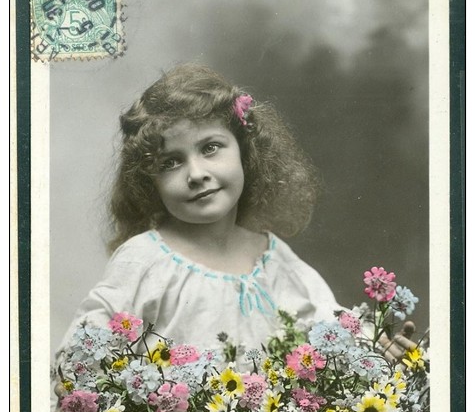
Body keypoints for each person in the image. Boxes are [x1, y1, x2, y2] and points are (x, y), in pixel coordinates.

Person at [57, 63, 341, 359]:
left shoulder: (274, 260)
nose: (196, 174)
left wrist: (377, 343)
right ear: (150, 183)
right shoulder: (144, 261)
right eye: (170, 163)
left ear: (244, 151)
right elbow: (81, 358)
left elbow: (333, 331)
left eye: (210, 148)